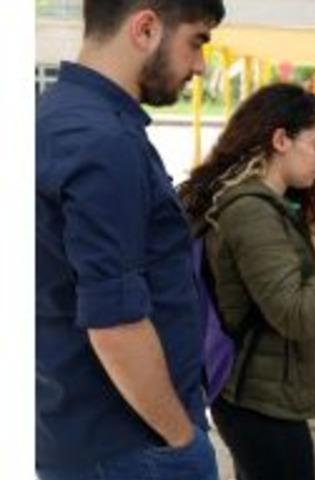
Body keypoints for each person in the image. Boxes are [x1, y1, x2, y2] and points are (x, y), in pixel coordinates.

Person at [35, 1, 225, 479]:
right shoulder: (103, 140)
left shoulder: (60, 116)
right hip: (131, 444)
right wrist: (181, 440)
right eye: (197, 41)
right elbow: (115, 323)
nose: (200, 66)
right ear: (145, 28)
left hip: (88, 432)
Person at [178, 83, 315, 480]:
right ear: (281, 139)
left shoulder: (265, 204)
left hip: (263, 394)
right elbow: (297, 314)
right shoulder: (251, 211)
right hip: (258, 402)